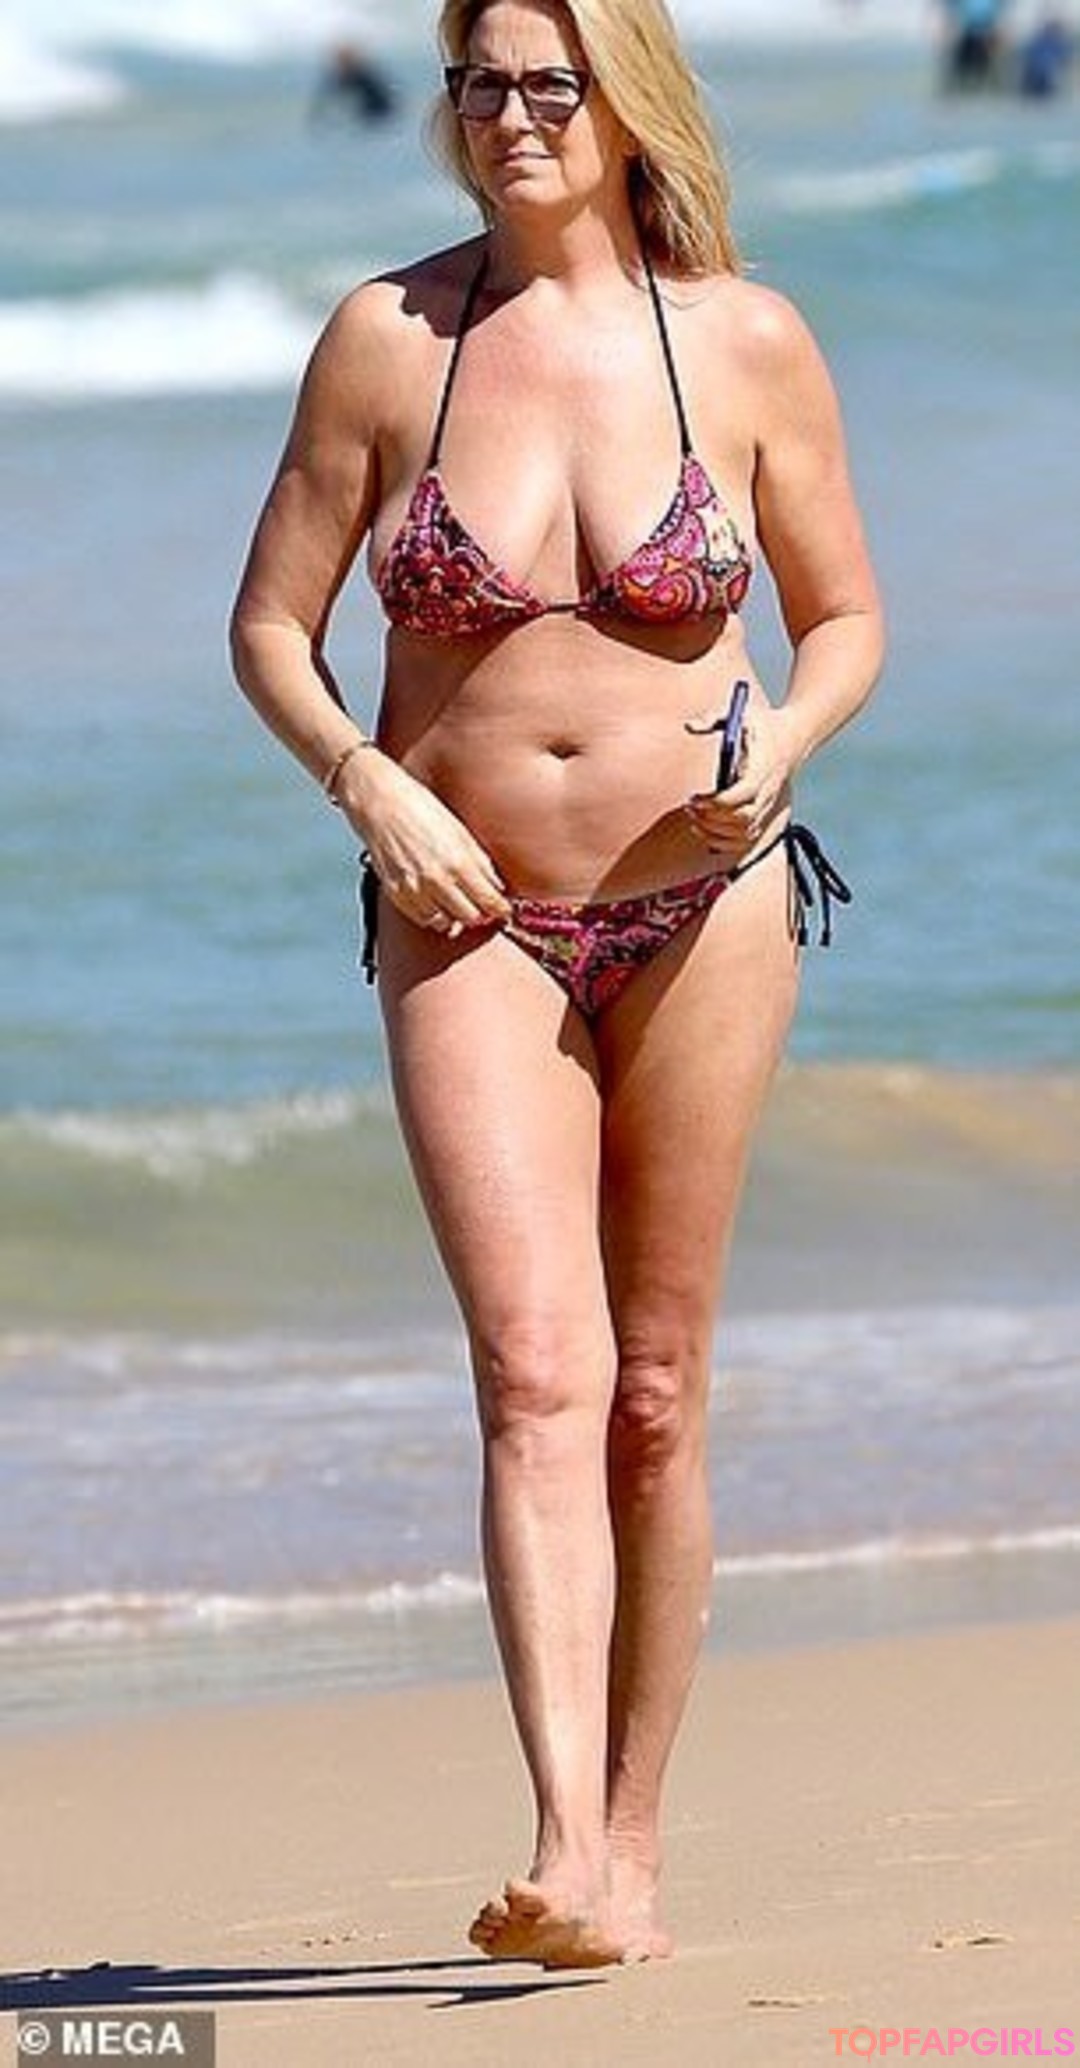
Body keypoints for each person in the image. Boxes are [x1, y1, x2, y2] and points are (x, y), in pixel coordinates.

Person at [230, 0, 883, 1970]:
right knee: (536, 1369)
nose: (506, 116)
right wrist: (368, 785)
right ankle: (563, 1844)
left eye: (545, 82)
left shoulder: (742, 339)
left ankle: (640, 1845)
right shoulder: (390, 340)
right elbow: (270, 627)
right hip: (466, 916)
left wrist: (788, 745)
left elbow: (846, 614)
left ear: (626, 102)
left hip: (706, 904)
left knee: (657, 1391)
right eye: (477, 83)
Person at [310, 41, 398, 126]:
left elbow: (383, 103)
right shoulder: (338, 79)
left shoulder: (365, 77)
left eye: (345, 61)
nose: (341, 66)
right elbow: (324, 102)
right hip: (361, 119)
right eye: (341, 62)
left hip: (375, 117)